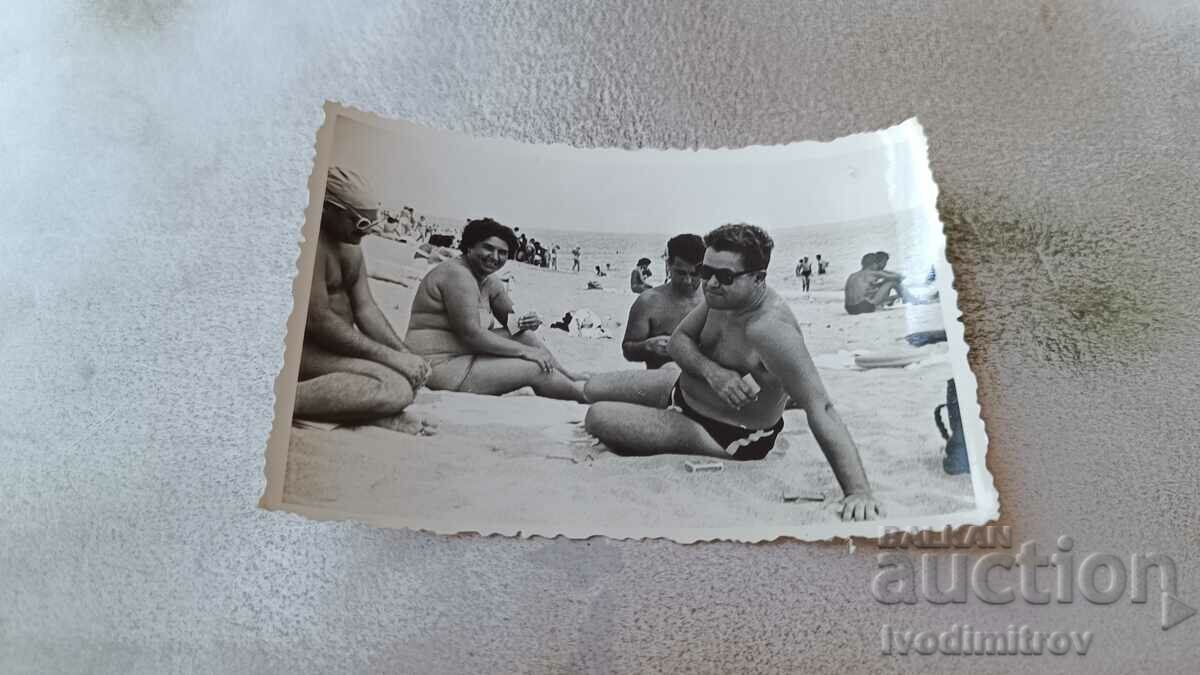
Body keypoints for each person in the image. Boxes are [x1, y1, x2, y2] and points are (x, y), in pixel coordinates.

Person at [584, 224, 882, 520]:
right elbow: (679, 341)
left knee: (598, 415)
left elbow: (823, 406)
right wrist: (713, 372)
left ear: (758, 278)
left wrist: (858, 491)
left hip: (722, 434)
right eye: (706, 271)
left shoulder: (770, 330)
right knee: (593, 386)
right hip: (683, 391)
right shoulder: (722, 299)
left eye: (725, 276)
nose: (711, 283)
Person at [294, 167, 432, 425]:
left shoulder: (348, 244)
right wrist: (389, 357)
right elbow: (318, 320)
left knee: (404, 378)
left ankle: (356, 410)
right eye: (360, 223)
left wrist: (405, 354)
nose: (366, 232)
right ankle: (280, 399)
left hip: (334, 349)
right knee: (394, 388)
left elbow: (366, 309)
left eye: (371, 223)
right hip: (304, 351)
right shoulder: (308, 243)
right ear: (326, 208)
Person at [405, 218, 588, 401]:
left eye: (502, 252)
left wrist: (529, 322)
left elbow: (514, 326)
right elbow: (471, 335)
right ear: (469, 247)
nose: (494, 257)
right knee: (536, 369)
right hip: (438, 365)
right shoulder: (457, 275)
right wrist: (526, 352)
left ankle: (567, 376)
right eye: (488, 248)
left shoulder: (490, 281)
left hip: (464, 354)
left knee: (524, 336)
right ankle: (584, 398)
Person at [620, 234, 705, 369]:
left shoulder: (714, 301)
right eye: (681, 273)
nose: (687, 281)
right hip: (661, 383)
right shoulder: (649, 302)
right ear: (669, 265)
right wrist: (648, 346)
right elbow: (627, 350)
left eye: (695, 274)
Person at [843, 252, 925, 315]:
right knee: (892, 282)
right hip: (864, 308)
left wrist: (880, 284)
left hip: (849, 309)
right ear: (873, 264)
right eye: (876, 263)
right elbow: (899, 277)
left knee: (876, 287)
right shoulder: (873, 273)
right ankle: (911, 300)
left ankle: (896, 299)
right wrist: (883, 273)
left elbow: (862, 291)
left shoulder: (852, 275)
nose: (877, 266)